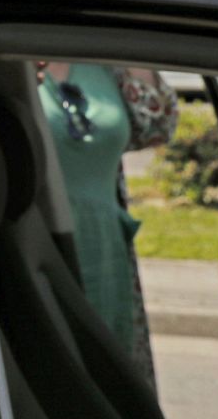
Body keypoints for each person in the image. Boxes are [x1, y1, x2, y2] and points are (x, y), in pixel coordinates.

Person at [36, 61, 178, 381]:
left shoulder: (102, 58)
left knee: (114, 383)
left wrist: (133, 42)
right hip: (37, 248)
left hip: (108, 254)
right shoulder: (0, 52)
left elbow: (157, 125)